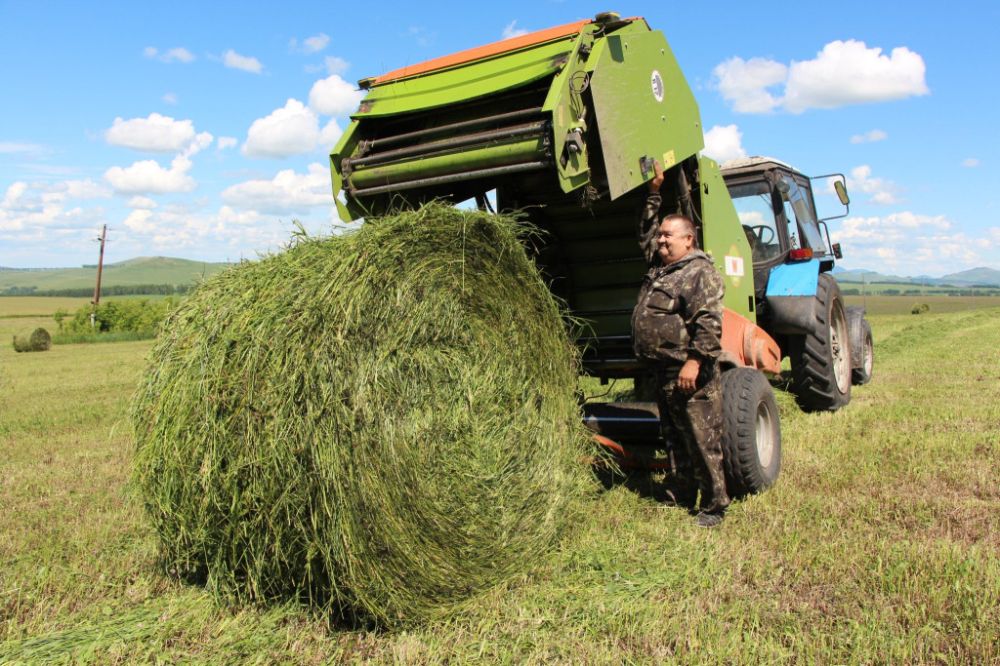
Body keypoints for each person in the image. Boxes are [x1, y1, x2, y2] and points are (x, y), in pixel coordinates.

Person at [632, 160, 730, 528]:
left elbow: (708, 322)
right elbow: (644, 232)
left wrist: (694, 362)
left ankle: (715, 504)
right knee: (673, 436)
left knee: (702, 437)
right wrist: (654, 193)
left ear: (688, 239)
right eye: (661, 237)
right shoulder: (661, 269)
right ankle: (682, 491)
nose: (660, 240)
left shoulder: (698, 271)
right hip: (663, 370)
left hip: (689, 370)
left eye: (667, 236)